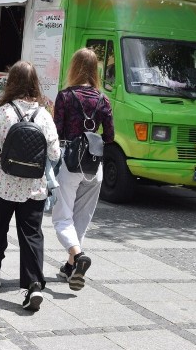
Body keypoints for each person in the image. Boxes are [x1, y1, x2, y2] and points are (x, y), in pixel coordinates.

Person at [0, 61, 60, 312]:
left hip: (1, 183)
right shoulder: (45, 115)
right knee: (32, 235)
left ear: (11, 82)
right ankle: (34, 286)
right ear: (34, 83)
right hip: (33, 188)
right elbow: (55, 154)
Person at [52, 48, 115, 291]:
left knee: (62, 217)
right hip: (94, 166)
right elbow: (109, 136)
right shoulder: (103, 99)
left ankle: (77, 257)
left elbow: (56, 131)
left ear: (74, 67)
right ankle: (71, 267)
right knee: (82, 217)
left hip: (69, 163)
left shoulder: (65, 96)